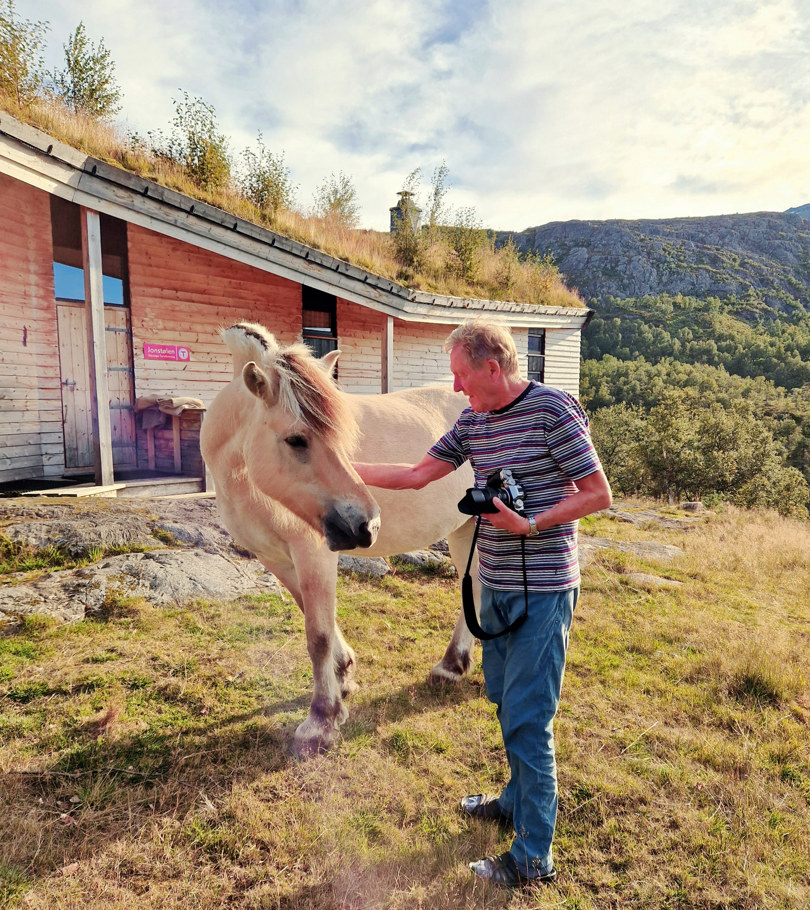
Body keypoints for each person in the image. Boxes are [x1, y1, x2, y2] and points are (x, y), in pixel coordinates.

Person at [354, 318, 612, 888]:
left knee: (529, 718)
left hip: (544, 589)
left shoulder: (555, 412)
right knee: (502, 698)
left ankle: (533, 857)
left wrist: (532, 523)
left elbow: (598, 493)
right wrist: (342, 470)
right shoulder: (473, 420)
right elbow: (419, 474)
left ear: (491, 368)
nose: (454, 389)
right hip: (492, 584)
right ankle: (515, 800)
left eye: (460, 375)